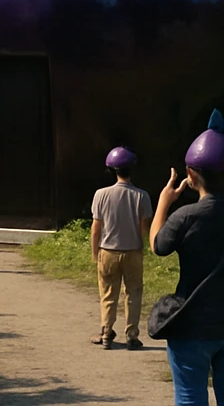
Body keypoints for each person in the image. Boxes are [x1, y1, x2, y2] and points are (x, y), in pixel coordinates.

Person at [151, 109, 224, 406]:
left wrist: (164, 202)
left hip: (193, 323)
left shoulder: (185, 216)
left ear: (190, 174)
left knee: (190, 396)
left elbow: (158, 246)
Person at [90, 145, 154, 349]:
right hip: (133, 251)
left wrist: (95, 253)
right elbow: (144, 227)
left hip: (108, 250)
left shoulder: (101, 194)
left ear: (111, 170)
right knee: (133, 293)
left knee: (108, 294)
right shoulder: (142, 196)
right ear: (132, 170)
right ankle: (132, 335)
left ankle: (107, 332)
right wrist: (143, 246)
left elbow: (95, 229)